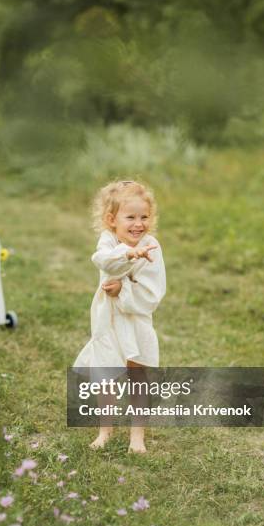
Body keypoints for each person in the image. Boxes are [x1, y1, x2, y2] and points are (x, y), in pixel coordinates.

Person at [73, 180, 166, 453]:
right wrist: (129, 253)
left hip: (136, 320)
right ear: (112, 220)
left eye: (144, 217)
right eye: (131, 217)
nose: (138, 224)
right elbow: (104, 261)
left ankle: (137, 436)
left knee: (137, 374)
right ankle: (106, 430)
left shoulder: (152, 247)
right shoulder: (108, 242)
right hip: (108, 320)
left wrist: (123, 289)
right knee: (106, 375)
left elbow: (153, 293)